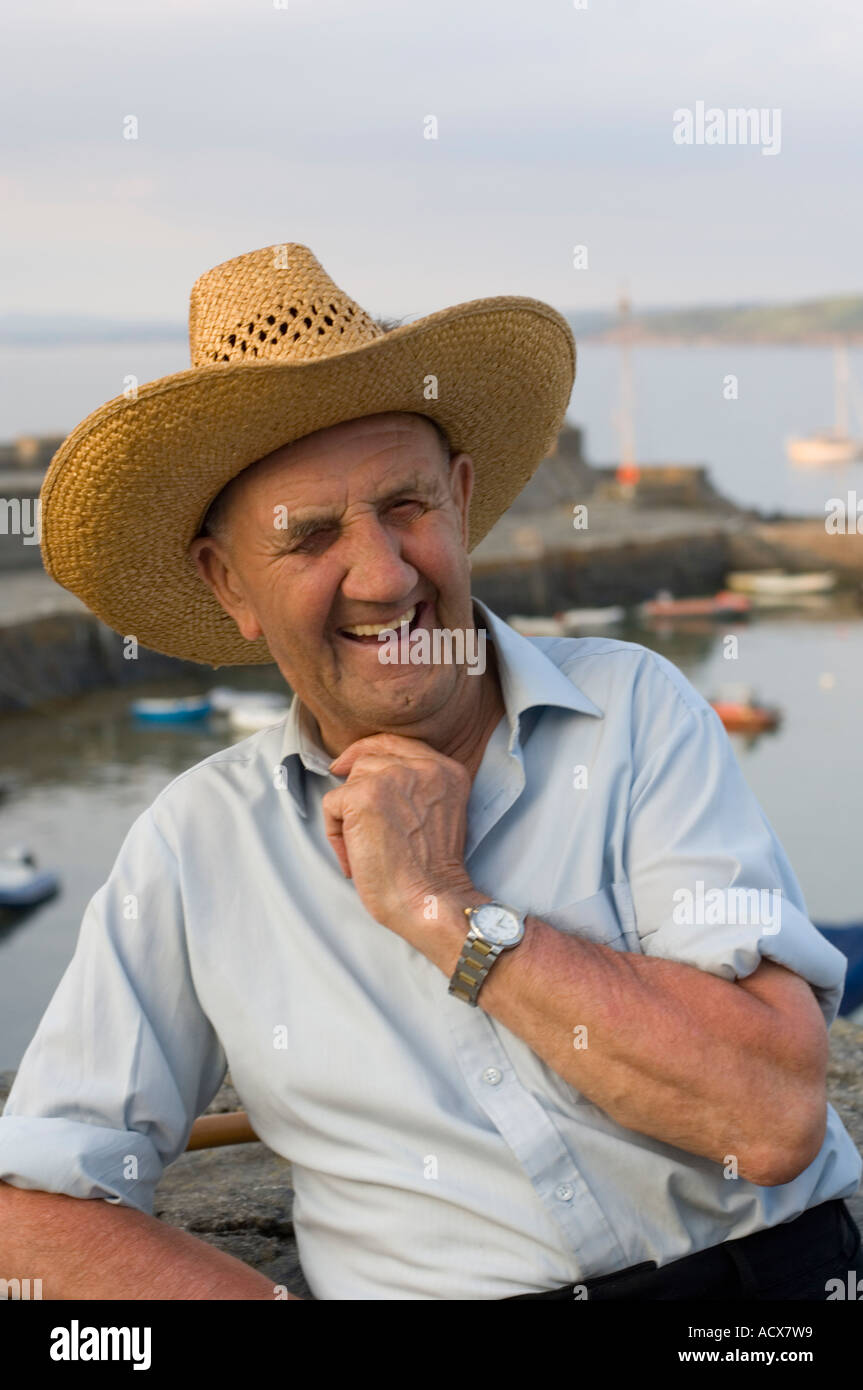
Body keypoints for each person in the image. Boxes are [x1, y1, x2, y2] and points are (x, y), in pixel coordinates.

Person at [0, 244, 860, 1301]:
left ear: (458, 499)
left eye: (404, 506)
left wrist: (443, 907)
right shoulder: (196, 842)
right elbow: (37, 1201)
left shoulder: (632, 709)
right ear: (228, 584)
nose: (383, 573)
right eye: (309, 534)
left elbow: (767, 1120)